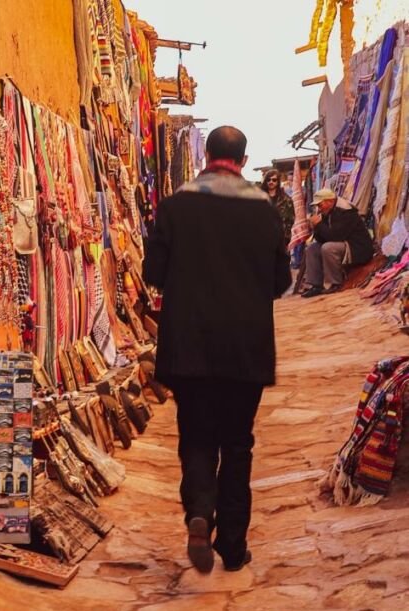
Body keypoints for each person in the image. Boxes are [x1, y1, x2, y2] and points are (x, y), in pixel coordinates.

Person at [143, 126, 291, 574]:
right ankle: (232, 544)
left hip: (188, 347)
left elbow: (154, 273)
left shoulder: (175, 206)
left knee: (197, 437)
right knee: (238, 442)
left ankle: (199, 514)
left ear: (207, 155)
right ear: (244, 161)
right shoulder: (265, 211)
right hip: (245, 349)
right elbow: (280, 282)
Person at [300, 187, 373, 298]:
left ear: (330, 201)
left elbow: (336, 236)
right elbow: (322, 239)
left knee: (328, 248)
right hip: (342, 243)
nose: (319, 208)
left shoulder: (346, 212)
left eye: (320, 205)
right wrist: (316, 227)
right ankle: (316, 285)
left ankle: (334, 283)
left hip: (357, 248)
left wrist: (319, 225)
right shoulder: (328, 211)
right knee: (312, 248)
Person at [260, 169, 294, 244]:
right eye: (268, 180)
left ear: (278, 182)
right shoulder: (259, 198)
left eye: (274, 180)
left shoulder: (286, 199)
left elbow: (291, 219)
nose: (271, 182)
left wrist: (287, 236)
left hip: (281, 238)